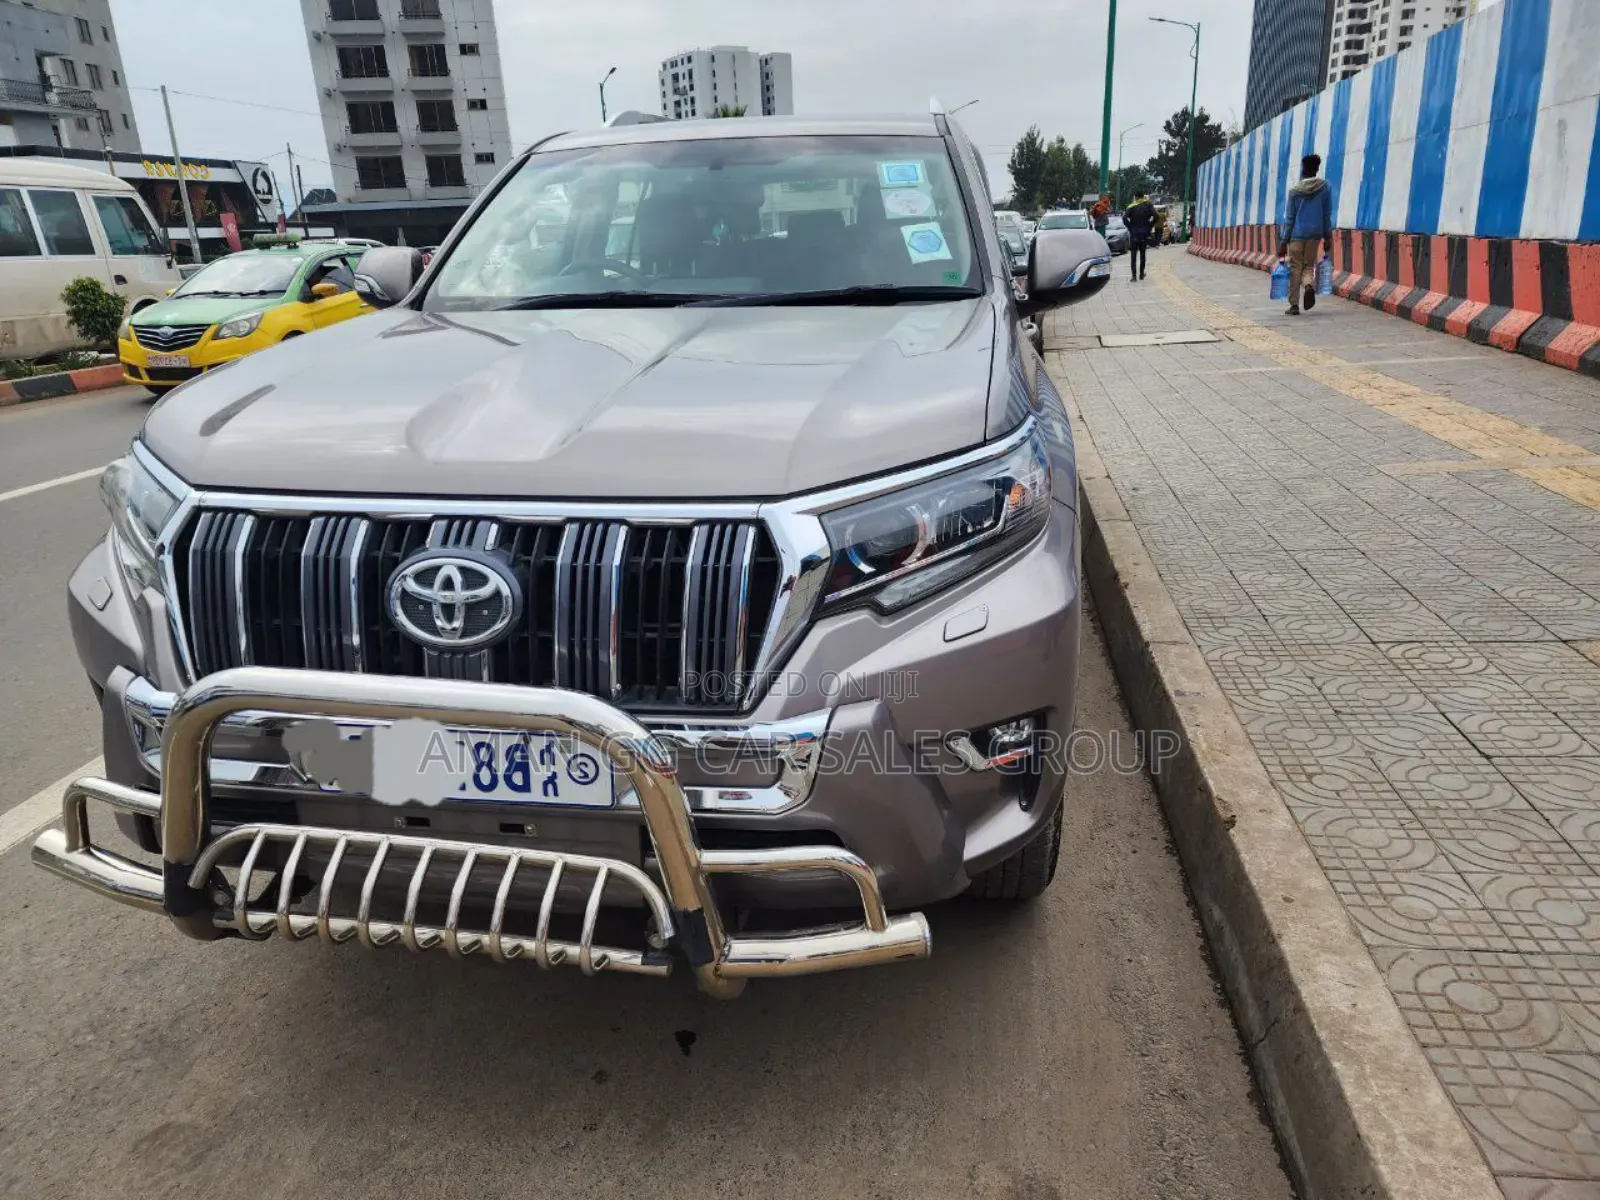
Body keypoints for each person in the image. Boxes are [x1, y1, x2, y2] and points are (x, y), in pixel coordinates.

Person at [1278, 153, 1333, 316]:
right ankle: (1308, 285)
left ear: (1303, 170)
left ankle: (1294, 305)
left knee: (1295, 268)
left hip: (1296, 235)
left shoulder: (1294, 191)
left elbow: (1290, 219)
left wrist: (1283, 241)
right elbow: (1326, 214)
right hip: (1315, 235)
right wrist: (1327, 237)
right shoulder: (1325, 188)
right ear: (1316, 169)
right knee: (1308, 266)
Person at [1123, 193, 1158, 282]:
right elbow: (1156, 216)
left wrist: (1130, 227)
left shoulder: (1131, 206)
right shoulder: (1148, 205)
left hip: (1134, 234)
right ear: (1143, 197)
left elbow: (1124, 218)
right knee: (1143, 255)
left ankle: (1134, 276)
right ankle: (1141, 274)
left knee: (1133, 255)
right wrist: (1149, 225)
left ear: (1135, 197)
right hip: (1144, 233)